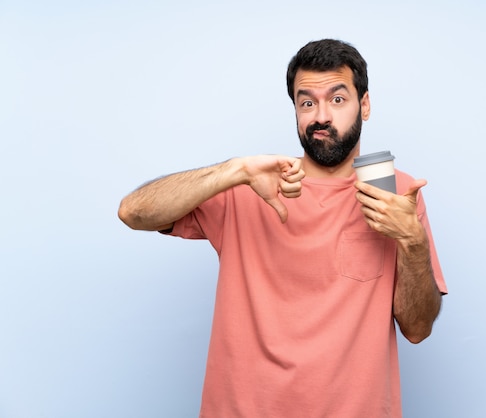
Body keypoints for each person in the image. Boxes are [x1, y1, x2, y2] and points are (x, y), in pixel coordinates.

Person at [118, 38, 447, 418]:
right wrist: (235, 171)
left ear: (365, 105)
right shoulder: (253, 184)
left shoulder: (397, 195)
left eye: (337, 99)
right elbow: (134, 212)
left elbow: (417, 329)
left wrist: (412, 239)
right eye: (307, 102)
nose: (321, 116)